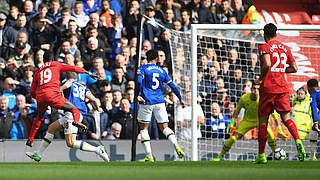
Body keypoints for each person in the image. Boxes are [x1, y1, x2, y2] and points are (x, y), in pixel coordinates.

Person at [26, 72, 109, 162]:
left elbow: (68, 83)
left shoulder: (68, 81)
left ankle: (98, 150)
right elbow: (94, 100)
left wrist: (60, 89)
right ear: (76, 79)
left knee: (70, 143)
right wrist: (97, 109)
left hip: (72, 114)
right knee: (51, 128)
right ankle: (38, 154)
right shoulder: (83, 87)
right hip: (75, 114)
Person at [254, 23, 305, 164]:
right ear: (276, 33)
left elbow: (268, 64)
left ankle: (261, 156)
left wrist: (260, 79)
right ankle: (298, 141)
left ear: (265, 34)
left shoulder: (264, 47)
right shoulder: (286, 48)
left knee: (263, 121)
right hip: (282, 88)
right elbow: (294, 68)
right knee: (287, 119)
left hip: (268, 89)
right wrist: (280, 70)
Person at [25, 50, 98, 147]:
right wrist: (87, 73)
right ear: (53, 58)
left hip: (41, 96)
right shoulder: (56, 64)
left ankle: (30, 139)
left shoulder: (38, 70)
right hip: (53, 94)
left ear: (43, 59)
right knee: (74, 109)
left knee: (39, 118)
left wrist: (38, 100)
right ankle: (76, 121)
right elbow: (73, 68)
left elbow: (32, 90)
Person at [213, 82, 287, 161]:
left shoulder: (264, 99)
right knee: (233, 138)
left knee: (271, 136)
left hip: (261, 121)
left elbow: (274, 114)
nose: (256, 91)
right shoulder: (244, 98)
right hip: (247, 121)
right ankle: (220, 156)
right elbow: (237, 110)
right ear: (251, 89)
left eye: (258, 89)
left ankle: (276, 153)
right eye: (254, 88)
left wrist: (279, 129)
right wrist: (232, 122)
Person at [137, 49, 185, 162]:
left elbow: (139, 81)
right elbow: (173, 86)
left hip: (146, 101)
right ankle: (176, 145)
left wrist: (138, 94)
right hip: (160, 102)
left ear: (146, 58)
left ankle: (149, 157)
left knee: (143, 129)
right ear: (156, 58)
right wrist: (180, 99)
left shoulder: (142, 68)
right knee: (165, 128)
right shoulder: (162, 71)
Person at [307, 79, 320, 160]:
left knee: (313, 132)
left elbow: (314, 110)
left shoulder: (313, 95)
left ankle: (312, 156)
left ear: (309, 88)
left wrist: (315, 123)